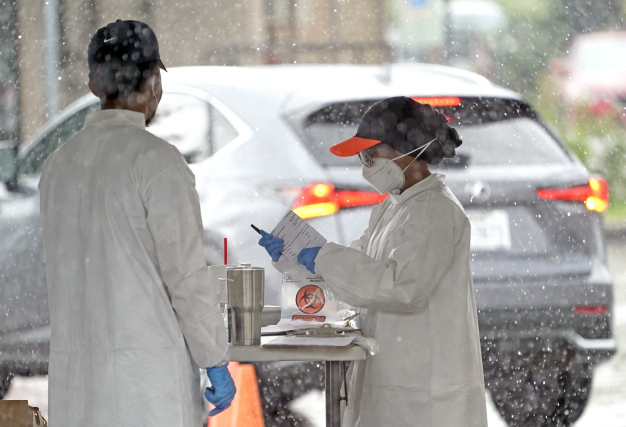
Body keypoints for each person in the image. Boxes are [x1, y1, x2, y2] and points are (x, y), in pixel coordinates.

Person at [39, 20, 235, 427]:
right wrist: (214, 358)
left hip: (78, 386)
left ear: (93, 87)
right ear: (154, 85)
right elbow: (185, 277)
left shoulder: (59, 165)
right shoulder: (157, 162)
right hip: (147, 387)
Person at [259, 97, 487, 427]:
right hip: (397, 378)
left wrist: (322, 257)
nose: (365, 167)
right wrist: (295, 260)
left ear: (404, 149)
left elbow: (402, 288)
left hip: (425, 392)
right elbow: (358, 274)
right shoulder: (394, 208)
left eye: (369, 155)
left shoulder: (433, 210)